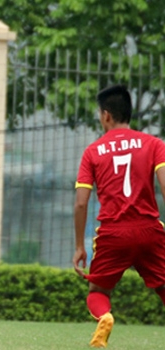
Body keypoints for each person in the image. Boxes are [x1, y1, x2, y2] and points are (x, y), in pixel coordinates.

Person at [73, 84, 165, 348]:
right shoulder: (154, 144)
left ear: (105, 115)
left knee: (98, 291)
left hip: (113, 233)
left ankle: (105, 317)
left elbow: (81, 204)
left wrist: (80, 246)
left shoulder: (92, 151)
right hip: (150, 230)